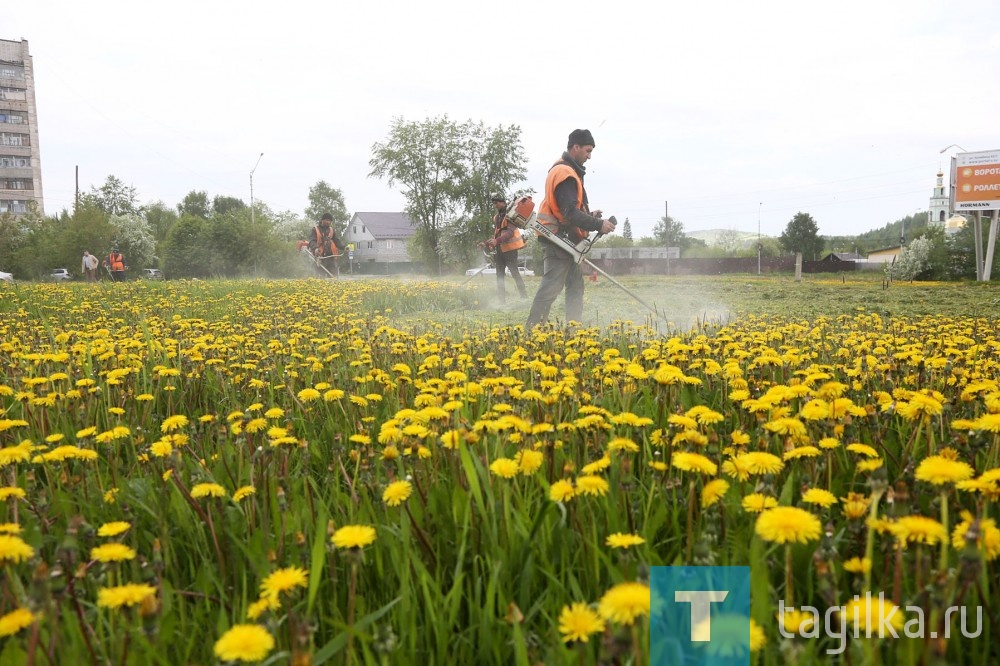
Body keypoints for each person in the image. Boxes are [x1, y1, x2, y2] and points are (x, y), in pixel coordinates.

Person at [525, 129, 615, 330]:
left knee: (575, 287)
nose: (589, 156)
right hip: (559, 240)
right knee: (550, 289)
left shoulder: (565, 170)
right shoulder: (565, 173)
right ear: (575, 147)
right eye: (587, 151)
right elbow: (569, 213)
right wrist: (599, 225)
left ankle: (573, 331)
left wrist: (590, 216)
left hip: (566, 240)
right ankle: (531, 333)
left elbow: (568, 210)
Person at [479, 194, 528, 304]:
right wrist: (486, 243)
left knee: (515, 273)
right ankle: (502, 301)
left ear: (503, 202)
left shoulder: (510, 214)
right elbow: (497, 234)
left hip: (510, 250)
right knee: (499, 275)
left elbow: (510, 233)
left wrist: (496, 241)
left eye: (496, 203)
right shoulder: (497, 217)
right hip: (500, 250)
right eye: (493, 203)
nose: (494, 205)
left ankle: (524, 297)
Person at [307, 212, 345, 277]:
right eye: (327, 220)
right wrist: (315, 248)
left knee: (334, 277)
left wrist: (344, 247)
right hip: (320, 257)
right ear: (322, 220)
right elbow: (312, 241)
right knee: (320, 278)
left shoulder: (331, 230)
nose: (328, 222)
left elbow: (337, 241)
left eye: (330, 221)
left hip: (330, 257)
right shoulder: (315, 229)